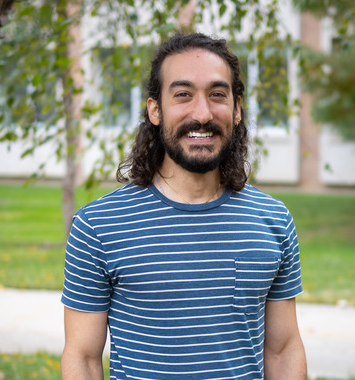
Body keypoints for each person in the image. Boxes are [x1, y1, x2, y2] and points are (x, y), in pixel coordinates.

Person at [61, 33, 307, 379]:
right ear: (155, 110)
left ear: (237, 110)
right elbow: (83, 358)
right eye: (183, 95)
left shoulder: (273, 221)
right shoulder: (99, 225)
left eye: (217, 95)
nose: (203, 113)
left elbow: (283, 350)